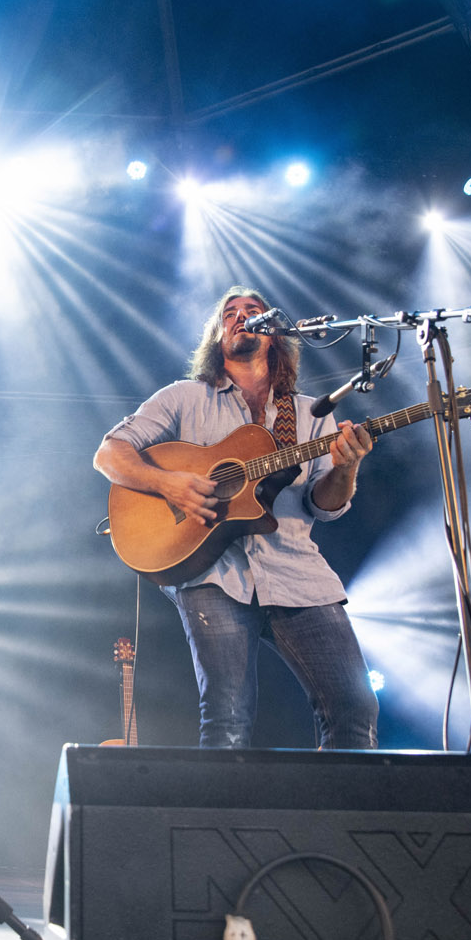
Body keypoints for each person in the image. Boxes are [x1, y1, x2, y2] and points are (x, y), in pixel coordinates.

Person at [93, 286, 380, 749]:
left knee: (355, 707)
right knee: (227, 718)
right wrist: (168, 484)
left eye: (253, 311)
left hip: (298, 573)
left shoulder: (311, 413)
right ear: (216, 335)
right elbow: (109, 454)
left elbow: (324, 507)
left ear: (274, 333)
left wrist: (347, 468)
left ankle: (338, 798)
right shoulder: (184, 398)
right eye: (229, 312)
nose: (241, 316)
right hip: (212, 574)